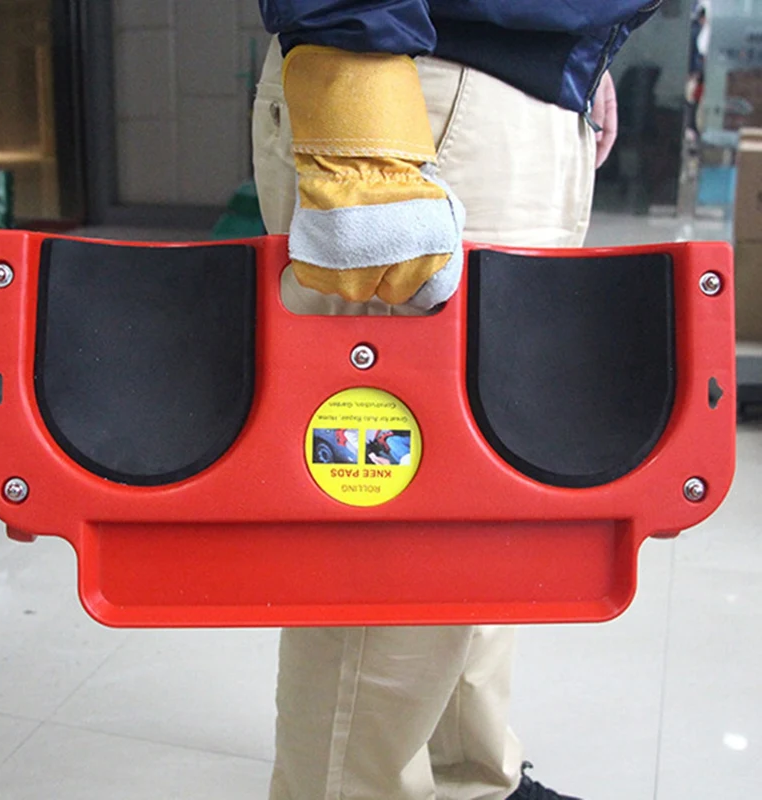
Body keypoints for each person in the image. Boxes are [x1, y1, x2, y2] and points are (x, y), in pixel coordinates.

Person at [252, 3, 652, 799]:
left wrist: (580, 51)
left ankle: (470, 780)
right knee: (391, 524)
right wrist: (363, 130)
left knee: (486, 487)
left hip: (514, 89)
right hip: (406, 95)